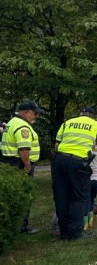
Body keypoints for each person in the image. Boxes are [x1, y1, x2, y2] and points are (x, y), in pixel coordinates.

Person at [52, 107, 97, 240]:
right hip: (78, 163)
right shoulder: (96, 125)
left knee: (61, 196)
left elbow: (57, 145)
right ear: (93, 117)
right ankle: (75, 233)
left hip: (59, 161)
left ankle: (63, 232)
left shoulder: (67, 123)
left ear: (80, 115)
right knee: (79, 197)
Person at [0, 100, 44, 234]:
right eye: (34, 113)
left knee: (15, 194)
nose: (36, 116)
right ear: (26, 112)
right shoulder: (23, 127)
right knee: (24, 194)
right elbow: (24, 149)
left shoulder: (12, 122)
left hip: (9, 162)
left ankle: (14, 224)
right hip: (20, 164)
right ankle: (22, 226)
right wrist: (27, 165)